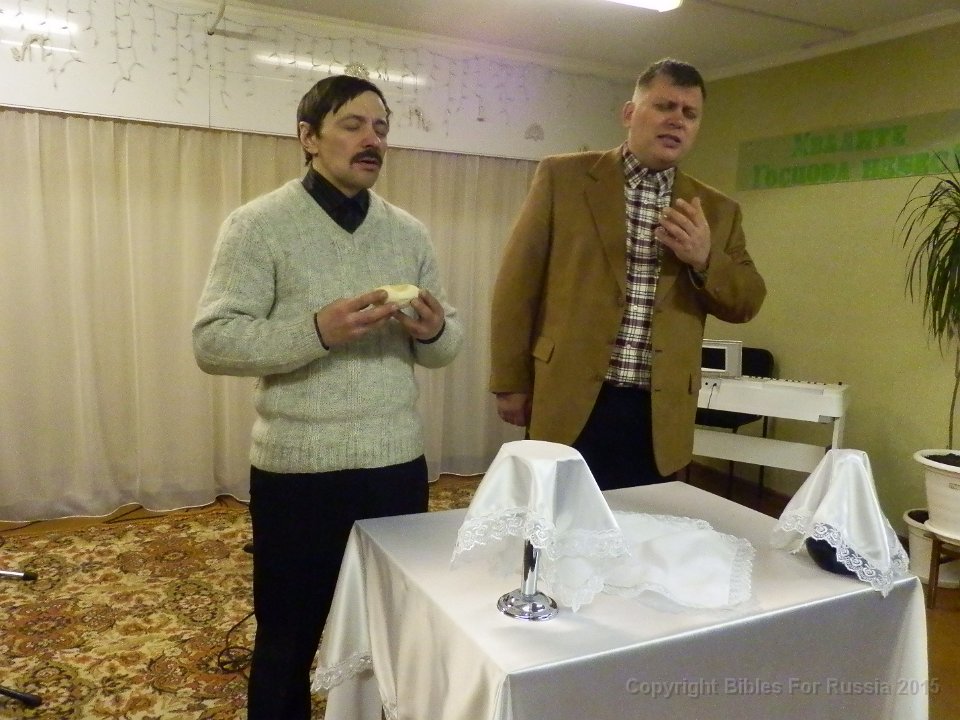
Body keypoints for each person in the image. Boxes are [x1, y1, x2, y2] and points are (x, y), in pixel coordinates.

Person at [192, 75, 462, 720]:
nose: (373, 140)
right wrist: (317, 331)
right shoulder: (258, 225)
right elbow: (214, 342)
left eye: (382, 128)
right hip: (298, 472)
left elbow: (446, 346)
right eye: (353, 124)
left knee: (392, 628)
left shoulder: (409, 233)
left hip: (395, 466)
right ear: (308, 137)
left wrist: (434, 331)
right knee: (288, 637)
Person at [489, 58, 765, 491]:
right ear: (630, 113)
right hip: (569, 396)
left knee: (642, 525)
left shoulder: (718, 210)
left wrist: (705, 259)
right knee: (554, 519)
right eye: (664, 106)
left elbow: (748, 300)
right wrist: (510, 381)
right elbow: (517, 284)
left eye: (690, 114)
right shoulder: (564, 177)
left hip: (658, 412)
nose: (677, 120)